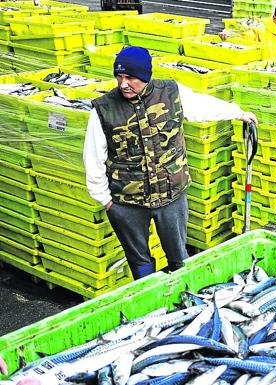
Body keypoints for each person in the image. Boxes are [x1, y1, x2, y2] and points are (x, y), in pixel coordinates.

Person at [83, 46, 257, 279]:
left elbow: (203, 107)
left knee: (178, 255)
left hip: (171, 197)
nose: (123, 83)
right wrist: (106, 202)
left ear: (146, 75)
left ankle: (182, 298)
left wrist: (238, 113)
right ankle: (148, 301)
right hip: (127, 203)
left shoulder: (172, 92)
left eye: (131, 78)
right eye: (119, 76)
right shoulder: (103, 109)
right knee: (139, 261)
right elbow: (93, 158)